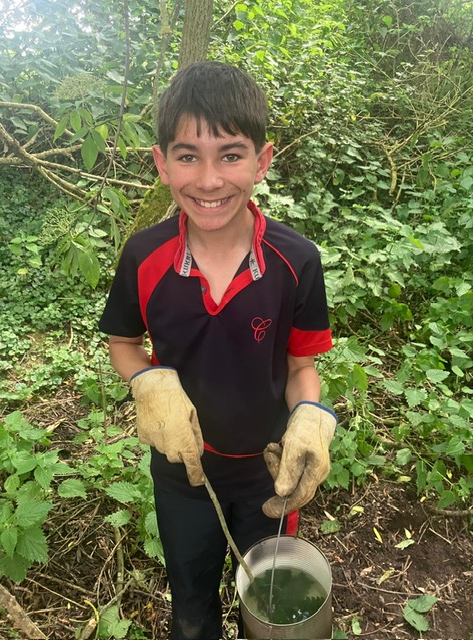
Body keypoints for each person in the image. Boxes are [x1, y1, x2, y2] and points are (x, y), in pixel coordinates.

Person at [99, 61, 337, 640]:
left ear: (262, 160)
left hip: (268, 476)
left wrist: (311, 415)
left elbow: (301, 367)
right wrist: (145, 381)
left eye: (230, 155)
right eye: (187, 156)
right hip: (181, 473)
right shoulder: (144, 257)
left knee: (273, 608)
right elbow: (123, 343)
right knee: (191, 607)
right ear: (161, 164)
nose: (209, 180)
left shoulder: (295, 260)